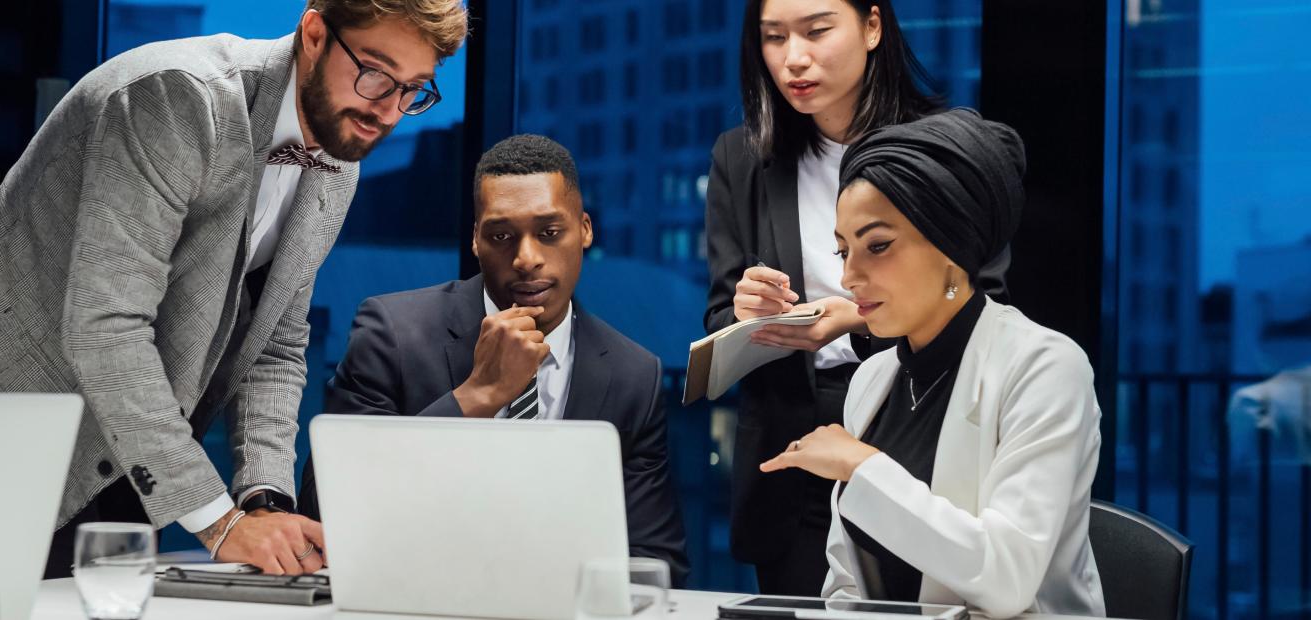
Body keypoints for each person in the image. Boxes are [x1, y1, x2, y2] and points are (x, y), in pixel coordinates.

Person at [0, 0, 467, 578]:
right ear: (314, 33)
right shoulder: (176, 95)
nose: (388, 112)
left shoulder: (340, 153)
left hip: (134, 471)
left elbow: (276, 343)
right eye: (374, 73)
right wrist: (220, 524)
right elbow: (105, 325)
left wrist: (264, 501)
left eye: (413, 90)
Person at [702, 0, 1009, 594]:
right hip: (793, 443)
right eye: (773, 37)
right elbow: (718, 314)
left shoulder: (943, 150)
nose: (794, 58)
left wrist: (856, 322)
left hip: (915, 420)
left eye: (817, 31)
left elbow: (981, 300)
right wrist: (747, 313)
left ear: (872, 27)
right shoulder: (743, 157)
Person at [295, 135, 690, 584]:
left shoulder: (633, 375)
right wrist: (476, 396)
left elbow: (655, 561)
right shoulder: (393, 333)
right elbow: (325, 507)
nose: (526, 259)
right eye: (501, 236)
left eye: (549, 233)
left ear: (584, 230)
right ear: (476, 242)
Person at [760, 109, 1105, 617]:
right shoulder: (872, 380)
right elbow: (845, 586)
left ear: (951, 244)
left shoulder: (1046, 368)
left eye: (877, 246)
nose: (850, 276)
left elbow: (1006, 581)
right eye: (842, 252)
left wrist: (862, 465)